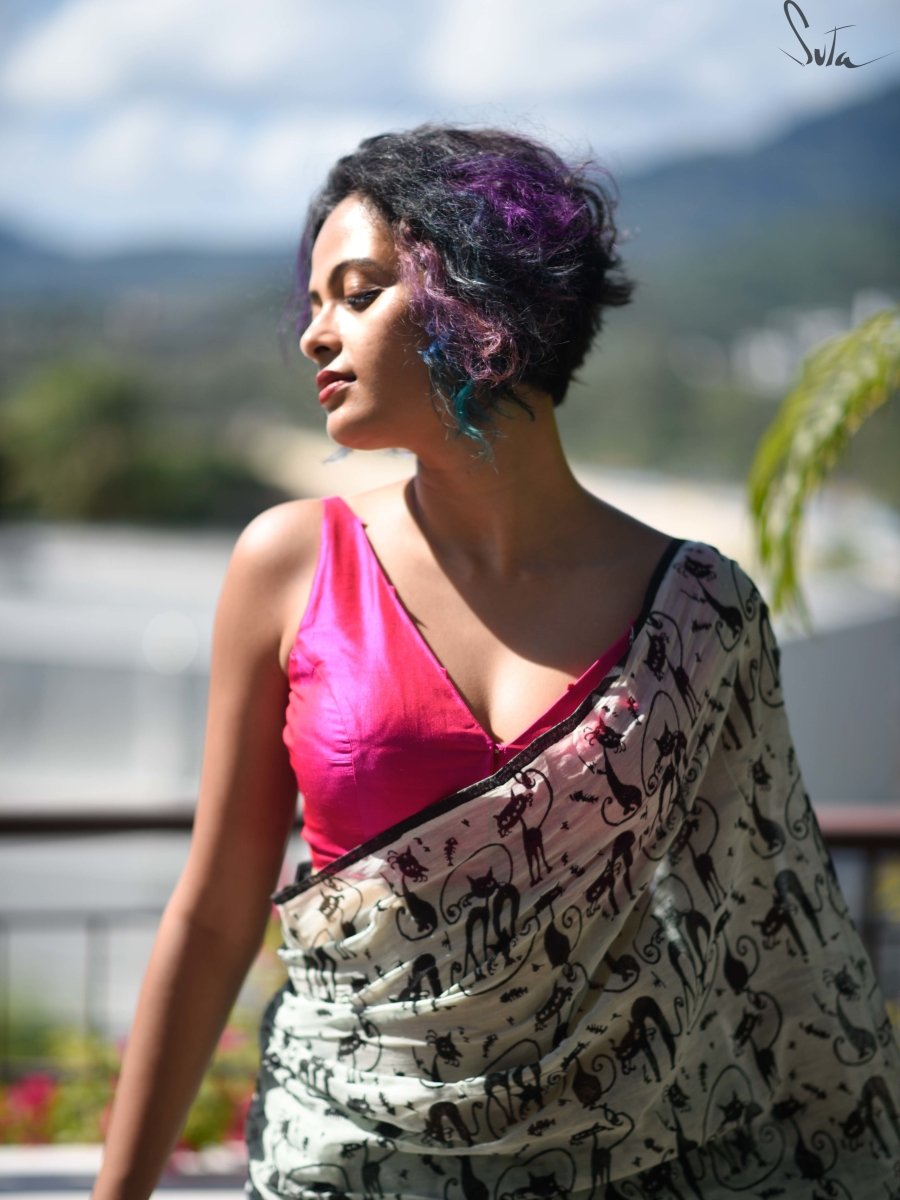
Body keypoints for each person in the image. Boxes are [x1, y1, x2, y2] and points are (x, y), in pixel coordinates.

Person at [93, 126, 900, 1200]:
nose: (314, 333)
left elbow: (773, 933)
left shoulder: (701, 612)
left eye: (358, 293)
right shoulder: (291, 566)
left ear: (480, 301)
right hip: (341, 1163)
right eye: (316, 302)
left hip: (632, 1167)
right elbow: (213, 912)